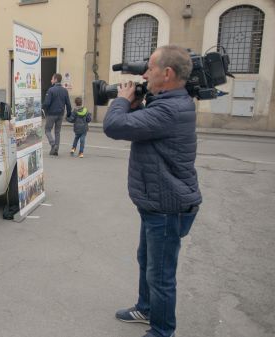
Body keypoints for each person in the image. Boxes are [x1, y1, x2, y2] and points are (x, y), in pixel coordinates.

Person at [103, 45, 202, 337]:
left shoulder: (170, 109)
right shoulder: (167, 103)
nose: (144, 74)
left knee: (160, 275)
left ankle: (162, 331)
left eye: (149, 68)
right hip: (156, 203)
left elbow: (115, 126)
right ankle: (146, 309)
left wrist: (122, 100)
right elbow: (140, 126)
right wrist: (135, 104)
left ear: (167, 73)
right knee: (147, 261)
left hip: (167, 207)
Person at [43, 73, 72, 156]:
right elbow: (68, 104)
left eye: (52, 79)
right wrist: (69, 114)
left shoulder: (51, 90)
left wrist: (42, 108)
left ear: (55, 80)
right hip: (60, 114)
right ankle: (55, 150)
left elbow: (47, 103)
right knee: (57, 132)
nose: (51, 80)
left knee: (47, 130)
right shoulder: (65, 90)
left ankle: (53, 144)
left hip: (51, 114)